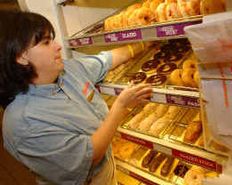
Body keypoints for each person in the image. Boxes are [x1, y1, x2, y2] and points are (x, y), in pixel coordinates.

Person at [0, 10, 152, 185]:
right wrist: (120, 107)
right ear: (21, 56)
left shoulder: (68, 71)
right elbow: (90, 156)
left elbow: (106, 60)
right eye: (46, 42)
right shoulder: (23, 123)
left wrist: (144, 43)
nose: (57, 46)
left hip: (108, 170)